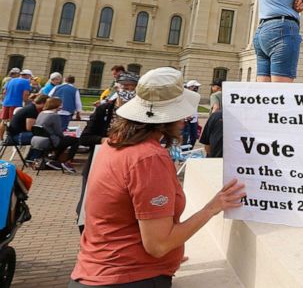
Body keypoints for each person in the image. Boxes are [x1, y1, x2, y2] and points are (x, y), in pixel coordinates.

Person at [70, 67, 245, 287]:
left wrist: (171, 251)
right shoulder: (148, 158)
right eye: (181, 112)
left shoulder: (113, 144)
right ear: (168, 118)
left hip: (96, 269)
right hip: (129, 277)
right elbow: (159, 245)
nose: (185, 119)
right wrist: (212, 207)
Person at [79, 73, 139, 148]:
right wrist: (106, 140)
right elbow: (84, 138)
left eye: (133, 89)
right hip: (104, 152)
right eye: (126, 88)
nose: (129, 92)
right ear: (117, 88)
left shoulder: (139, 112)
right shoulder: (103, 109)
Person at [30, 97, 80, 171]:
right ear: (57, 105)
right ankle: (67, 161)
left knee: (64, 142)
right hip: (48, 141)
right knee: (75, 140)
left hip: (36, 140)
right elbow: (58, 132)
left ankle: (54, 160)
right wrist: (64, 136)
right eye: (61, 104)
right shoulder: (54, 116)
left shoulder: (41, 113)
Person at [182, 81, 201, 147]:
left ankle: (189, 151)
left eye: (197, 87)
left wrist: (197, 120)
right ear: (189, 87)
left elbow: (195, 109)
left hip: (194, 121)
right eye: (194, 87)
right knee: (185, 138)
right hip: (186, 121)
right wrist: (185, 117)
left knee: (194, 137)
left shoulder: (196, 96)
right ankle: (183, 154)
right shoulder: (184, 96)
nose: (196, 88)